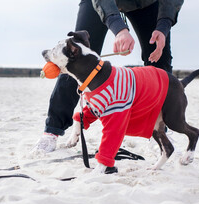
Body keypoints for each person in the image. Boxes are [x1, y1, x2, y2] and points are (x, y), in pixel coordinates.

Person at [33, 0, 184, 152]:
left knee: (159, 57)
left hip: (146, 3)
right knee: (75, 59)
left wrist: (163, 26)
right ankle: (52, 130)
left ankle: (160, 131)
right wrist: (119, 29)